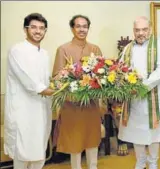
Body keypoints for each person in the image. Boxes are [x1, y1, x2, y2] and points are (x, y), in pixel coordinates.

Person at [118, 16, 160, 169]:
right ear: (133, 31)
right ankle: (140, 161)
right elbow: (121, 69)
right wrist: (127, 84)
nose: (141, 33)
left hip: (154, 97)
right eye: (137, 30)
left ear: (150, 29)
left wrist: (143, 86)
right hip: (134, 100)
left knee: (155, 133)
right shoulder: (128, 48)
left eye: (144, 29)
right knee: (137, 133)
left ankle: (153, 162)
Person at [52, 15, 104, 169]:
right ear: (72, 28)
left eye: (85, 26)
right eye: (78, 26)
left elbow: (103, 74)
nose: (82, 29)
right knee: (74, 142)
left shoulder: (95, 49)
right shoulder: (63, 49)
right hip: (72, 104)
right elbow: (57, 76)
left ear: (88, 28)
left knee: (92, 140)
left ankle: (93, 166)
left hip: (91, 105)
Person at [4, 13, 55, 169]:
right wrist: (60, 91)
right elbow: (31, 83)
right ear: (25, 29)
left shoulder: (44, 53)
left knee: (39, 153)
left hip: (41, 109)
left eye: (41, 28)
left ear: (45, 31)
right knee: (23, 154)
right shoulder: (17, 50)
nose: (38, 31)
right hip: (23, 111)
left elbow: (45, 80)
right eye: (33, 27)